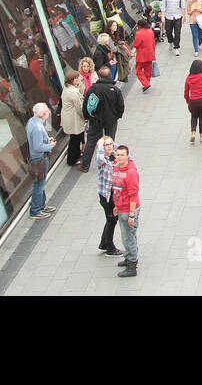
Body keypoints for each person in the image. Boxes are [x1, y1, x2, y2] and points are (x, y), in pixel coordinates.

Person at [78, 67, 124, 170]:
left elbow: (87, 105)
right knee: (110, 140)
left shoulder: (93, 89)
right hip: (111, 120)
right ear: (110, 76)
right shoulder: (115, 90)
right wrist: (117, 116)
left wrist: (88, 117)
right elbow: (120, 105)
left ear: (99, 76)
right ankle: (111, 161)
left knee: (91, 142)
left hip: (96, 120)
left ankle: (85, 165)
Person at [109, 145, 141, 278]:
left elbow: (133, 194)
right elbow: (117, 189)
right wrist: (117, 205)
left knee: (128, 237)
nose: (119, 157)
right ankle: (129, 257)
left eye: (122, 155)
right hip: (121, 207)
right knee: (127, 235)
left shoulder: (131, 173)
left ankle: (132, 264)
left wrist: (132, 215)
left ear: (128, 156)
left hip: (129, 210)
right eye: (118, 154)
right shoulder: (117, 168)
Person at [26, 103, 57, 219]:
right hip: (39, 158)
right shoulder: (37, 128)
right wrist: (50, 145)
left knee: (41, 182)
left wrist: (46, 139)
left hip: (37, 157)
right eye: (46, 111)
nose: (48, 113)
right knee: (39, 185)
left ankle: (41, 205)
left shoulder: (32, 122)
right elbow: (38, 146)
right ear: (42, 114)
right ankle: (35, 210)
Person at [93, 136, 121, 258]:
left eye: (111, 144)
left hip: (114, 192)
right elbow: (99, 158)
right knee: (111, 219)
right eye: (106, 145)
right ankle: (110, 247)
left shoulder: (114, 155)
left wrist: (111, 142)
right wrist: (100, 146)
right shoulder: (102, 160)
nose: (109, 147)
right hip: (107, 194)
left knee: (111, 219)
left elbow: (124, 152)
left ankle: (104, 243)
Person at [59, 69, 87, 167]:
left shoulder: (67, 88)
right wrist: (84, 116)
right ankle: (72, 159)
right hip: (73, 119)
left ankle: (75, 155)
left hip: (69, 117)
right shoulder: (73, 92)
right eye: (77, 78)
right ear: (73, 80)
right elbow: (79, 107)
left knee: (75, 138)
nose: (79, 79)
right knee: (75, 140)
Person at [132, 18, 157, 93]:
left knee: (138, 70)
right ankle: (147, 82)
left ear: (139, 25)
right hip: (150, 54)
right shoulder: (150, 31)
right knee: (147, 70)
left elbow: (136, 44)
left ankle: (145, 84)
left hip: (142, 55)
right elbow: (153, 43)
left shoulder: (139, 33)